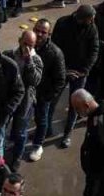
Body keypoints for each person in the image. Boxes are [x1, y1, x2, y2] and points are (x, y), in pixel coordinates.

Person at [52, 5, 99, 149]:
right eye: (90, 20)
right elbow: (54, 48)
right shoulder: (62, 23)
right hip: (62, 70)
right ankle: (46, 128)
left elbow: (94, 49)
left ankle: (67, 134)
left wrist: (84, 70)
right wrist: (63, 70)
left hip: (79, 73)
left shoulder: (92, 28)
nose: (92, 22)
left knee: (75, 105)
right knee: (52, 100)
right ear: (81, 18)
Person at [27, 20, 68, 161]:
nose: (39, 34)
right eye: (37, 30)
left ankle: (38, 145)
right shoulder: (27, 44)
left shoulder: (55, 53)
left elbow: (60, 80)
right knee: (24, 118)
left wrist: (47, 97)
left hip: (43, 94)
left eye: (43, 32)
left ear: (49, 34)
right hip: (27, 92)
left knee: (41, 119)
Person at [4, 30, 44, 170]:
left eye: (31, 45)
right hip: (9, 99)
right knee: (3, 126)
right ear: (20, 40)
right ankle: (1, 157)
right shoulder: (9, 55)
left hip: (25, 101)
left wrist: (29, 61)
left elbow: (35, 81)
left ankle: (16, 158)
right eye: (25, 44)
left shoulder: (36, 60)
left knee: (20, 132)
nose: (27, 48)